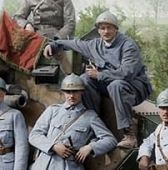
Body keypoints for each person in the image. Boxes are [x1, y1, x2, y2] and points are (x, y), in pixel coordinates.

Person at [43, 10, 153, 149]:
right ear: (98, 30)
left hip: (135, 88)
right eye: (102, 28)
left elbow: (127, 73)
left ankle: (129, 135)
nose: (106, 31)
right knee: (84, 80)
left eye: (109, 28)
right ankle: (96, 127)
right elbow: (74, 44)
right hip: (110, 85)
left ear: (115, 29)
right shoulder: (94, 45)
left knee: (116, 85)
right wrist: (53, 45)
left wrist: (100, 75)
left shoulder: (127, 45)